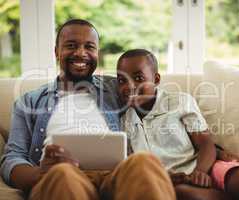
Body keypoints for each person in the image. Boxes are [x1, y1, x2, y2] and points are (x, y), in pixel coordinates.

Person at [0, 20, 176, 200]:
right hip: (60, 176)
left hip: (114, 176)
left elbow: (153, 96)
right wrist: (39, 173)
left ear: (97, 54)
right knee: (63, 174)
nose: (80, 53)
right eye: (71, 45)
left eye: (89, 47)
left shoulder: (117, 87)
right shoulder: (29, 101)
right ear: (56, 52)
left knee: (144, 162)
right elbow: (13, 157)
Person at [117, 48, 239, 200]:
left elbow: (205, 144)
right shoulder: (124, 120)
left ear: (156, 79)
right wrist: (170, 178)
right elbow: (136, 168)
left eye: (139, 78)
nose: (129, 86)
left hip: (207, 167)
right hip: (175, 183)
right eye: (121, 80)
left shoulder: (179, 102)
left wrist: (200, 172)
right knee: (185, 195)